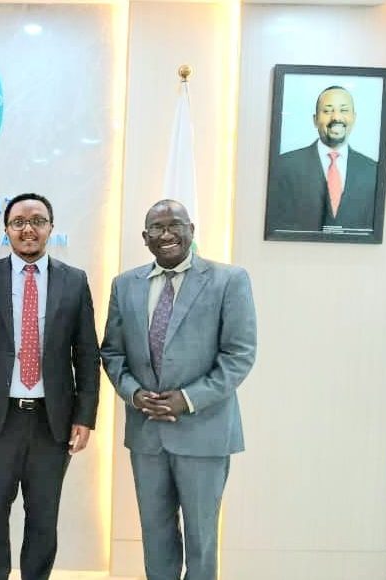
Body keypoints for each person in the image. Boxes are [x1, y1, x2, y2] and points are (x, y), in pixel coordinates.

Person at [100, 200, 257, 580]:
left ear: (191, 230)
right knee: (155, 536)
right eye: (157, 227)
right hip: (147, 433)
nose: (166, 234)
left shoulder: (229, 280)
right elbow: (112, 352)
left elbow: (239, 355)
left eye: (175, 225)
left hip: (204, 433)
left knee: (202, 540)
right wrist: (134, 394)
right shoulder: (125, 284)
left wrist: (187, 400)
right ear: (145, 237)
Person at [0, 192, 100, 580]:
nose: (28, 229)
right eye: (19, 222)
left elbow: (87, 353)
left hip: (53, 422)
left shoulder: (74, 281)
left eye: (37, 221)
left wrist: (85, 416)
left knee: (43, 519)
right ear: (6, 230)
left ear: (51, 227)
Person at [266, 85, 378, 233]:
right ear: (315, 119)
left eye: (344, 110)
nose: (336, 117)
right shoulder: (284, 166)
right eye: (327, 111)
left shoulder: (374, 171)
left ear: (354, 118)